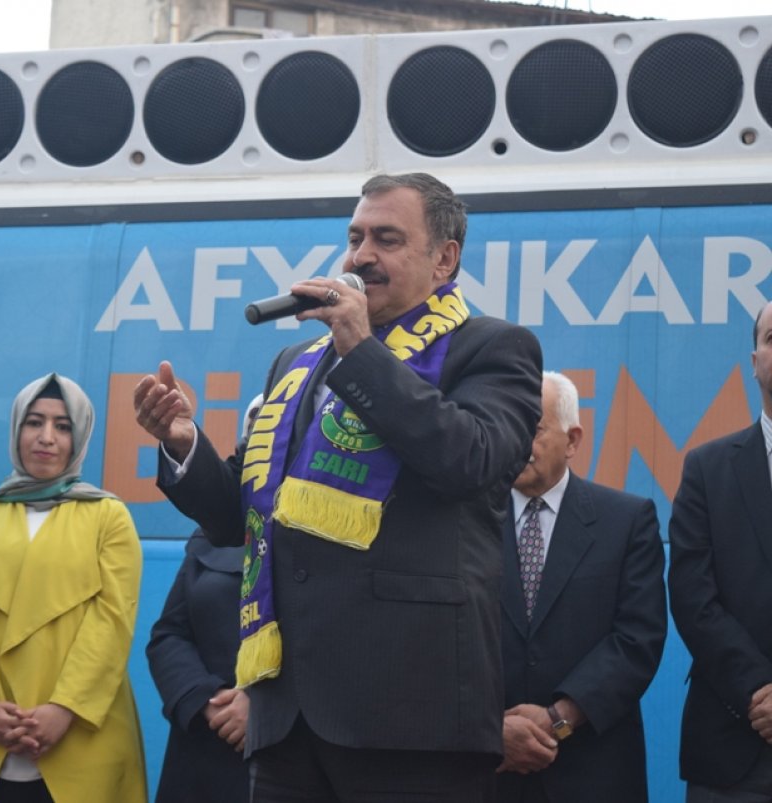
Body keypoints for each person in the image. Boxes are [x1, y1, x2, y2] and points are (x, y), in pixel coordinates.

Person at [134, 172, 542, 801]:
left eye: (387, 239)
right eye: (355, 238)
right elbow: (239, 519)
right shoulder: (297, 364)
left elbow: (470, 459)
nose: (361, 256)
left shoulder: (492, 347)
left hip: (413, 713)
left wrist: (360, 349)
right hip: (287, 716)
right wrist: (184, 443)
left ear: (444, 259)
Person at [0, 373, 146, 803]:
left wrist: (64, 708)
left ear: (79, 437)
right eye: (34, 422)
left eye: (63, 426)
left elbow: (112, 623)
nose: (47, 437)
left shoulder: (109, 517)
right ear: (16, 430)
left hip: (81, 737)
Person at [497, 371, 666, 803]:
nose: (517, 442)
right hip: (489, 770)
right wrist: (492, 730)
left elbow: (637, 639)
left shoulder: (626, 521)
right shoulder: (468, 522)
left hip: (594, 772)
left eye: (533, 429)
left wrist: (559, 719)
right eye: (509, 425)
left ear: (572, 440)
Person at [669, 298, 772, 801]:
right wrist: (758, 691)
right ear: (754, 362)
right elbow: (694, 597)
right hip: (733, 745)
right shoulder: (707, 470)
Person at [146, 395, 263, 803]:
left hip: (286, 755)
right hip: (204, 752)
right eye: (256, 427)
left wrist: (264, 706)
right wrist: (210, 702)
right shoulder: (210, 534)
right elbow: (169, 635)